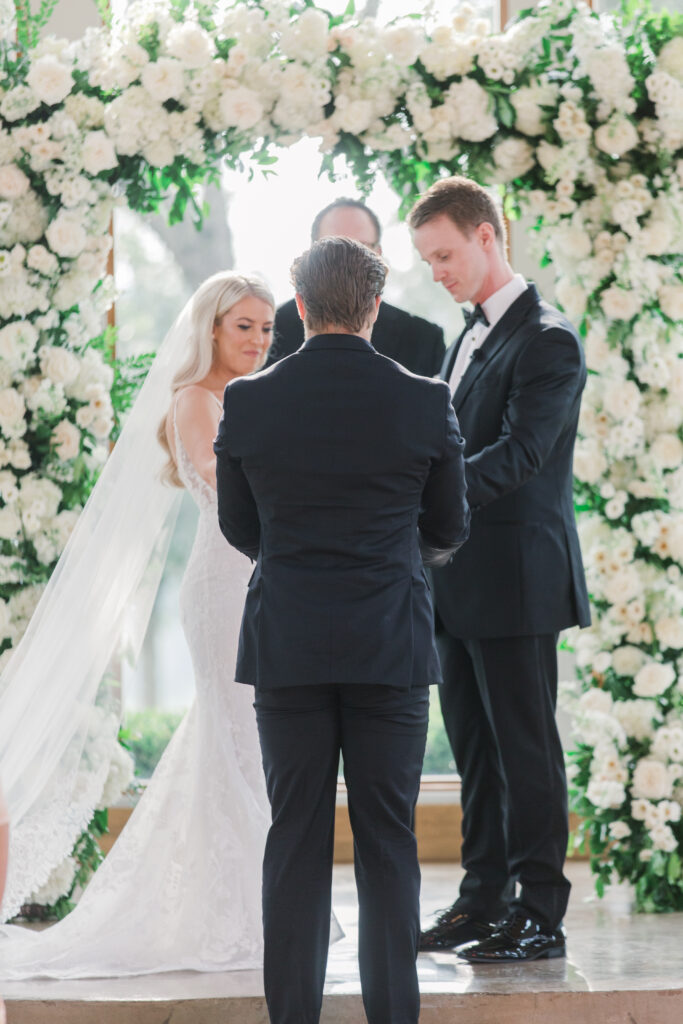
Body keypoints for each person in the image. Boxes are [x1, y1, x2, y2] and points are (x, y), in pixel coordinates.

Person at [0, 272, 287, 977]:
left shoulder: (249, 396)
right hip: (223, 587)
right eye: (243, 325)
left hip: (258, 582)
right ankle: (241, 913)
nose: (256, 339)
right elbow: (221, 483)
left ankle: (252, 905)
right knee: (237, 739)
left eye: (266, 327)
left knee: (245, 743)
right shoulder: (195, 399)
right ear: (212, 329)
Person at [214, 236, 470, 1024]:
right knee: (388, 838)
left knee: (293, 836)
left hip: (287, 638)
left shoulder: (249, 400)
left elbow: (238, 526)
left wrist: (296, 557)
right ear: (373, 309)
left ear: (298, 308)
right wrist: (392, 556)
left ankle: (293, 1017)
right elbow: (449, 525)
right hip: (389, 641)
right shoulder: (425, 398)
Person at [410, 177, 590, 963]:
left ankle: (539, 911)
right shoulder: (465, 335)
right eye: (426, 260)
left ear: (488, 236)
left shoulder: (547, 339)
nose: (437, 272)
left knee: (524, 746)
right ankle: (482, 897)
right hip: (455, 579)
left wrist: (421, 496)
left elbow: (521, 455)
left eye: (445, 254)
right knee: (475, 752)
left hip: (516, 578)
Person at [270, 197, 446, 376]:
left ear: (378, 255)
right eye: (333, 246)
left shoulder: (422, 339)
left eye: (361, 247)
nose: (347, 259)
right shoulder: (268, 328)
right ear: (311, 253)